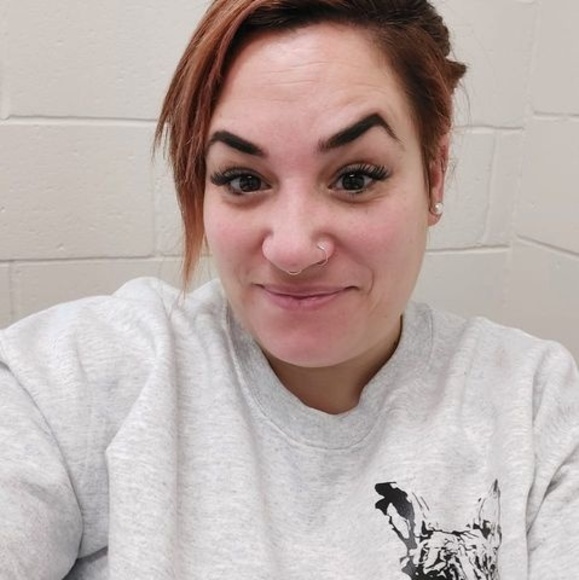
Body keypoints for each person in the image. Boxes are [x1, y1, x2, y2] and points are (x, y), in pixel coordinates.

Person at [1, 0, 578, 578]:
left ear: (434, 173)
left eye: (355, 178)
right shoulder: (72, 382)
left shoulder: (533, 403)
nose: (294, 249)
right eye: (243, 179)